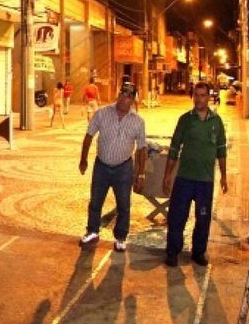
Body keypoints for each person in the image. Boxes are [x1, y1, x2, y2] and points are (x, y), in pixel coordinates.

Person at [163, 81, 228, 267]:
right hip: (184, 178)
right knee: (177, 216)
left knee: (203, 218)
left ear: (209, 97)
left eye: (202, 95)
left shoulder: (217, 121)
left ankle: (198, 252)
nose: (198, 99)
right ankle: (172, 252)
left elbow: (221, 150)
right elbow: (175, 148)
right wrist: (167, 175)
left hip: (205, 181)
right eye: (196, 95)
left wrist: (223, 176)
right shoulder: (185, 120)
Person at [78, 89, 147, 252]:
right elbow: (89, 136)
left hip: (123, 168)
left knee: (123, 204)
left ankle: (121, 237)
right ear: (118, 95)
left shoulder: (138, 121)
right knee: (95, 201)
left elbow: (141, 148)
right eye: (122, 94)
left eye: (128, 96)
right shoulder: (102, 114)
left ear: (133, 100)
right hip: (101, 166)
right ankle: (92, 231)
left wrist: (141, 173)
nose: (124, 98)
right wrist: (83, 159)